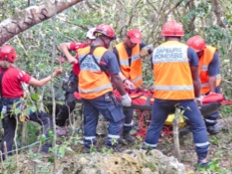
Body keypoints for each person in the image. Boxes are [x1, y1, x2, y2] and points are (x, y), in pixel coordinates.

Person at [142, 20, 210, 168]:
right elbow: (196, 78)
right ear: (180, 35)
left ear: (164, 35)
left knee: (155, 126)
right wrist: (198, 97)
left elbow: (158, 73)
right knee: (198, 126)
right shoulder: (188, 51)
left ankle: (146, 157)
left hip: (162, 98)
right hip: (185, 97)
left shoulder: (156, 52)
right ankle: (203, 160)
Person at [0, 45, 63, 160]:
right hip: (18, 106)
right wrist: (54, 74)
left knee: (8, 134)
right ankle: (45, 150)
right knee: (46, 119)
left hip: (3, 107)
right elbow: (38, 83)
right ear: (13, 57)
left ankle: (4, 160)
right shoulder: (17, 73)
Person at [77, 23, 131, 152]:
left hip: (85, 93)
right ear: (106, 38)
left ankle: (88, 148)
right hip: (101, 93)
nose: (110, 43)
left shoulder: (81, 52)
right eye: (110, 40)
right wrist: (124, 95)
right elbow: (115, 78)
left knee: (90, 120)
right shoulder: (107, 54)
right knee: (117, 118)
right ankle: (111, 147)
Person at [113, 29, 153, 143]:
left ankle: (126, 133)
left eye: (136, 42)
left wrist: (149, 49)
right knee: (119, 108)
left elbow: (153, 49)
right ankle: (117, 134)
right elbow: (114, 70)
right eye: (132, 42)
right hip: (120, 84)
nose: (134, 44)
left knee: (130, 110)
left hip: (134, 85)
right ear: (126, 38)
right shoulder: (117, 50)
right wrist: (124, 80)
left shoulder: (139, 45)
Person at [56, 28, 96, 135]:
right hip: (76, 78)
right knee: (69, 102)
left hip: (90, 80)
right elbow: (63, 45)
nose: (91, 42)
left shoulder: (101, 51)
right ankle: (61, 124)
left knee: (92, 105)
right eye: (90, 39)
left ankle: (88, 131)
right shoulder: (81, 46)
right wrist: (69, 57)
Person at [187, 35, 221, 135]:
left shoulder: (211, 53)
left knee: (213, 103)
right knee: (190, 105)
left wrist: (212, 93)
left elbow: (212, 75)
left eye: (197, 53)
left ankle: (211, 124)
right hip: (193, 85)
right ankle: (190, 124)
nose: (195, 55)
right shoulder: (185, 54)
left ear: (203, 50)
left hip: (209, 83)